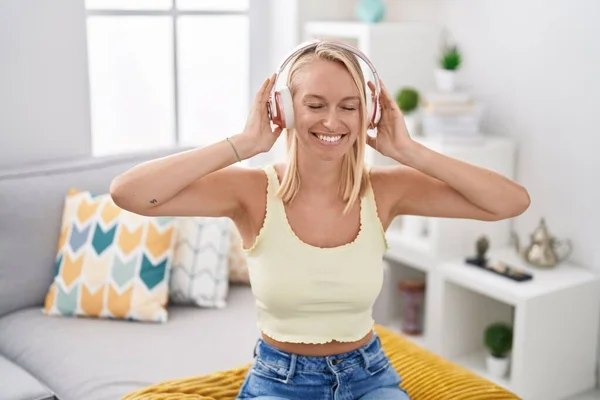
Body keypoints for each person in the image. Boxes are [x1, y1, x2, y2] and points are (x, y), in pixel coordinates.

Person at [110, 41, 530, 400]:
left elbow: (509, 203)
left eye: (349, 107)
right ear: (285, 109)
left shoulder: (385, 190)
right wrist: (243, 143)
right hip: (280, 381)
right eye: (315, 105)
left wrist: (409, 151)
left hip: (369, 377)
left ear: (366, 114)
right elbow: (130, 193)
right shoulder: (252, 191)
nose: (333, 121)